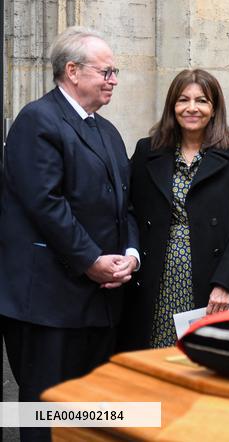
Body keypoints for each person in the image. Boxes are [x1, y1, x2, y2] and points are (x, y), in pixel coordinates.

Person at [0, 27, 139, 440]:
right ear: (73, 71)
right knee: (46, 414)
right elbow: (45, 204)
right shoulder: (37, 120)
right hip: (48, 302)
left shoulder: (107, 131)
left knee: (89, 416)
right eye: (106, 71)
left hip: (100, 301)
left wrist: (131, 253)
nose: (113, 80)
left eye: (115, 72)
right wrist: (90, 260)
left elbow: (125, 206)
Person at [123, 69, 229, 348]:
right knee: (158, 357)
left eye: (202, 101)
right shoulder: (147, 150)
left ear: (214, 108)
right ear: (171, 106)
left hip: (215, 276)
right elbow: (130, 211)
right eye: (183, 100)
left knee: (207, 361)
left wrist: (226, 284)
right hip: (159, 275)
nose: (191, 108)